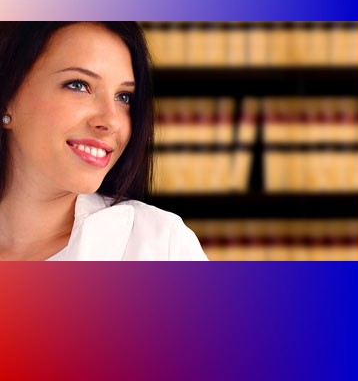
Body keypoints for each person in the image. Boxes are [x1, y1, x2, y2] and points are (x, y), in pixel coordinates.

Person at [0, 22, 207, 260]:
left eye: (124, 97)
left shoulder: (160, 246)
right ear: (7, 98)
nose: (111, 121)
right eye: (78, 85)